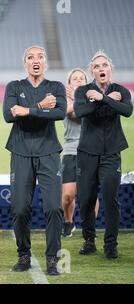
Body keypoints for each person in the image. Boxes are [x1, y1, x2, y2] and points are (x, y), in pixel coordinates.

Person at [3, 45, 66, 276]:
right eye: (31, 57)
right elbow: (9, 115)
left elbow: (59, 112)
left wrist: (26, 111)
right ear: (25, 63)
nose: (35, 60)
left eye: (40, 57)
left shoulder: (56, 87)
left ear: (45, 62)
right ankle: (23, 254)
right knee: (20, 209)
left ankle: (52, 258)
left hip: (48, 153)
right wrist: (40, 107)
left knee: (53, 207)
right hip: (20, 152)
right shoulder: (15, 86)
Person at [74, 50, 132, 259]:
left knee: (110, 198)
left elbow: (127, 111)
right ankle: (89, 240)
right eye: (97, 67)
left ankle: (111, 245)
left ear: (110, 69)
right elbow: (80, 112)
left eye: (104, 65)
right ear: (92, 71)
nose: (101, 69)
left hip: (111, 153)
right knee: (86, 199)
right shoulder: (82, 90)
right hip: (87, 152)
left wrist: (102, 98)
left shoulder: (121, 90)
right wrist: (105, 100)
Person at [61, 68, 99, 237]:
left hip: (90, 150)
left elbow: (86, 115)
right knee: (68, 195)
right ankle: (68, 221)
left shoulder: (93, 100)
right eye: (74, 78)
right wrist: (76, 97)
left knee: (90, 194)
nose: (78, 80)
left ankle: (90, 228)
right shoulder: (64, 100)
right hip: (70, 150)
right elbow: (68, 112)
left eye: (81, 78)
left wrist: (80, 97)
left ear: (86, 83)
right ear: (69, 83)